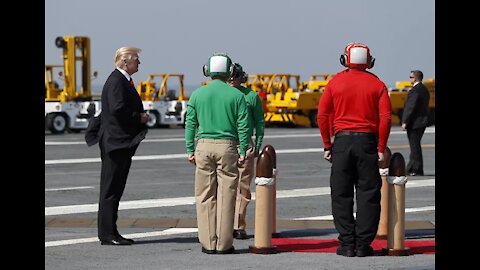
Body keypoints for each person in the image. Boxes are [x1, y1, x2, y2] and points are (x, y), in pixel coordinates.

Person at [317, 42, 392, 257]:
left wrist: (327, 144)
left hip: (341, 142)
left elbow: (322, 116)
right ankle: (363, 245)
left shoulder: (335, 82)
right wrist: (381, 147)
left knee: (341, 193)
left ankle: (347, 243)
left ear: (344, 60)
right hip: (367, 142)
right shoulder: (378, 85)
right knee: (368, 192)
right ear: (369, 62)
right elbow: (385, 118)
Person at [185, 53, 249, 254]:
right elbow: (243, 126)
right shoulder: (237, 96)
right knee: (227, 194)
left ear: (207, 71)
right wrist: (243, 149)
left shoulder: (197, 94)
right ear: (230, 72)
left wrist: (189, 149)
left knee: (204, 195)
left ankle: (208, 243)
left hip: (203, 146)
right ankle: (224, 244)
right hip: (227, 146)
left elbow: (190, 124)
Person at [88, 46, 148, 246]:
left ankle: (111, 231)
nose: (139, 63)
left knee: (115, 188)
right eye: (136, 60)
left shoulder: (120, 80)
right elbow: (116, 109)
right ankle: (107, 234)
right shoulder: (116, 81)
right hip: (115, 143)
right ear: (125, 62)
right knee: (110, 190)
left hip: (118, 143)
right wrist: (138, 117)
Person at [227, 63, 265, 240]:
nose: (232, 79)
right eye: (230, 76)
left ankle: (238, 225)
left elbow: (259, 121)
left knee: (243, 187)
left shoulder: (251, 96)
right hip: (225, 142)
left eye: (235, 75)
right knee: (223, 187)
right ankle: (223, 224)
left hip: (245, 143)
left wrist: (257, 144)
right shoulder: (222, 94)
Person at [401, 70, 430, 176]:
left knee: (414, 146)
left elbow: (410, 107)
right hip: (421, 122)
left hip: (415, 123)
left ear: (415, 78)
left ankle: (416, 169)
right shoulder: (424, 89)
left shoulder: (415, 90)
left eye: (410, 77)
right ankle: (412, 167)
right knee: (415, 146)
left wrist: (405, 121)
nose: (409, 79)